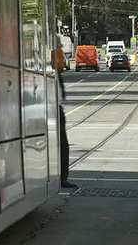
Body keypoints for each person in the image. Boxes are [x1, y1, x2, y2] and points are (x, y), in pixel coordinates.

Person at [57, 35, 78, 188]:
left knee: (62, 144)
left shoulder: (54, 62)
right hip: (50, 108)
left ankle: (62, 176)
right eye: (58, 44)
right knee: (61, 144)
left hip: (56, 107)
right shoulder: (46, 61)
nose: (60, 47)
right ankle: (61, 177)